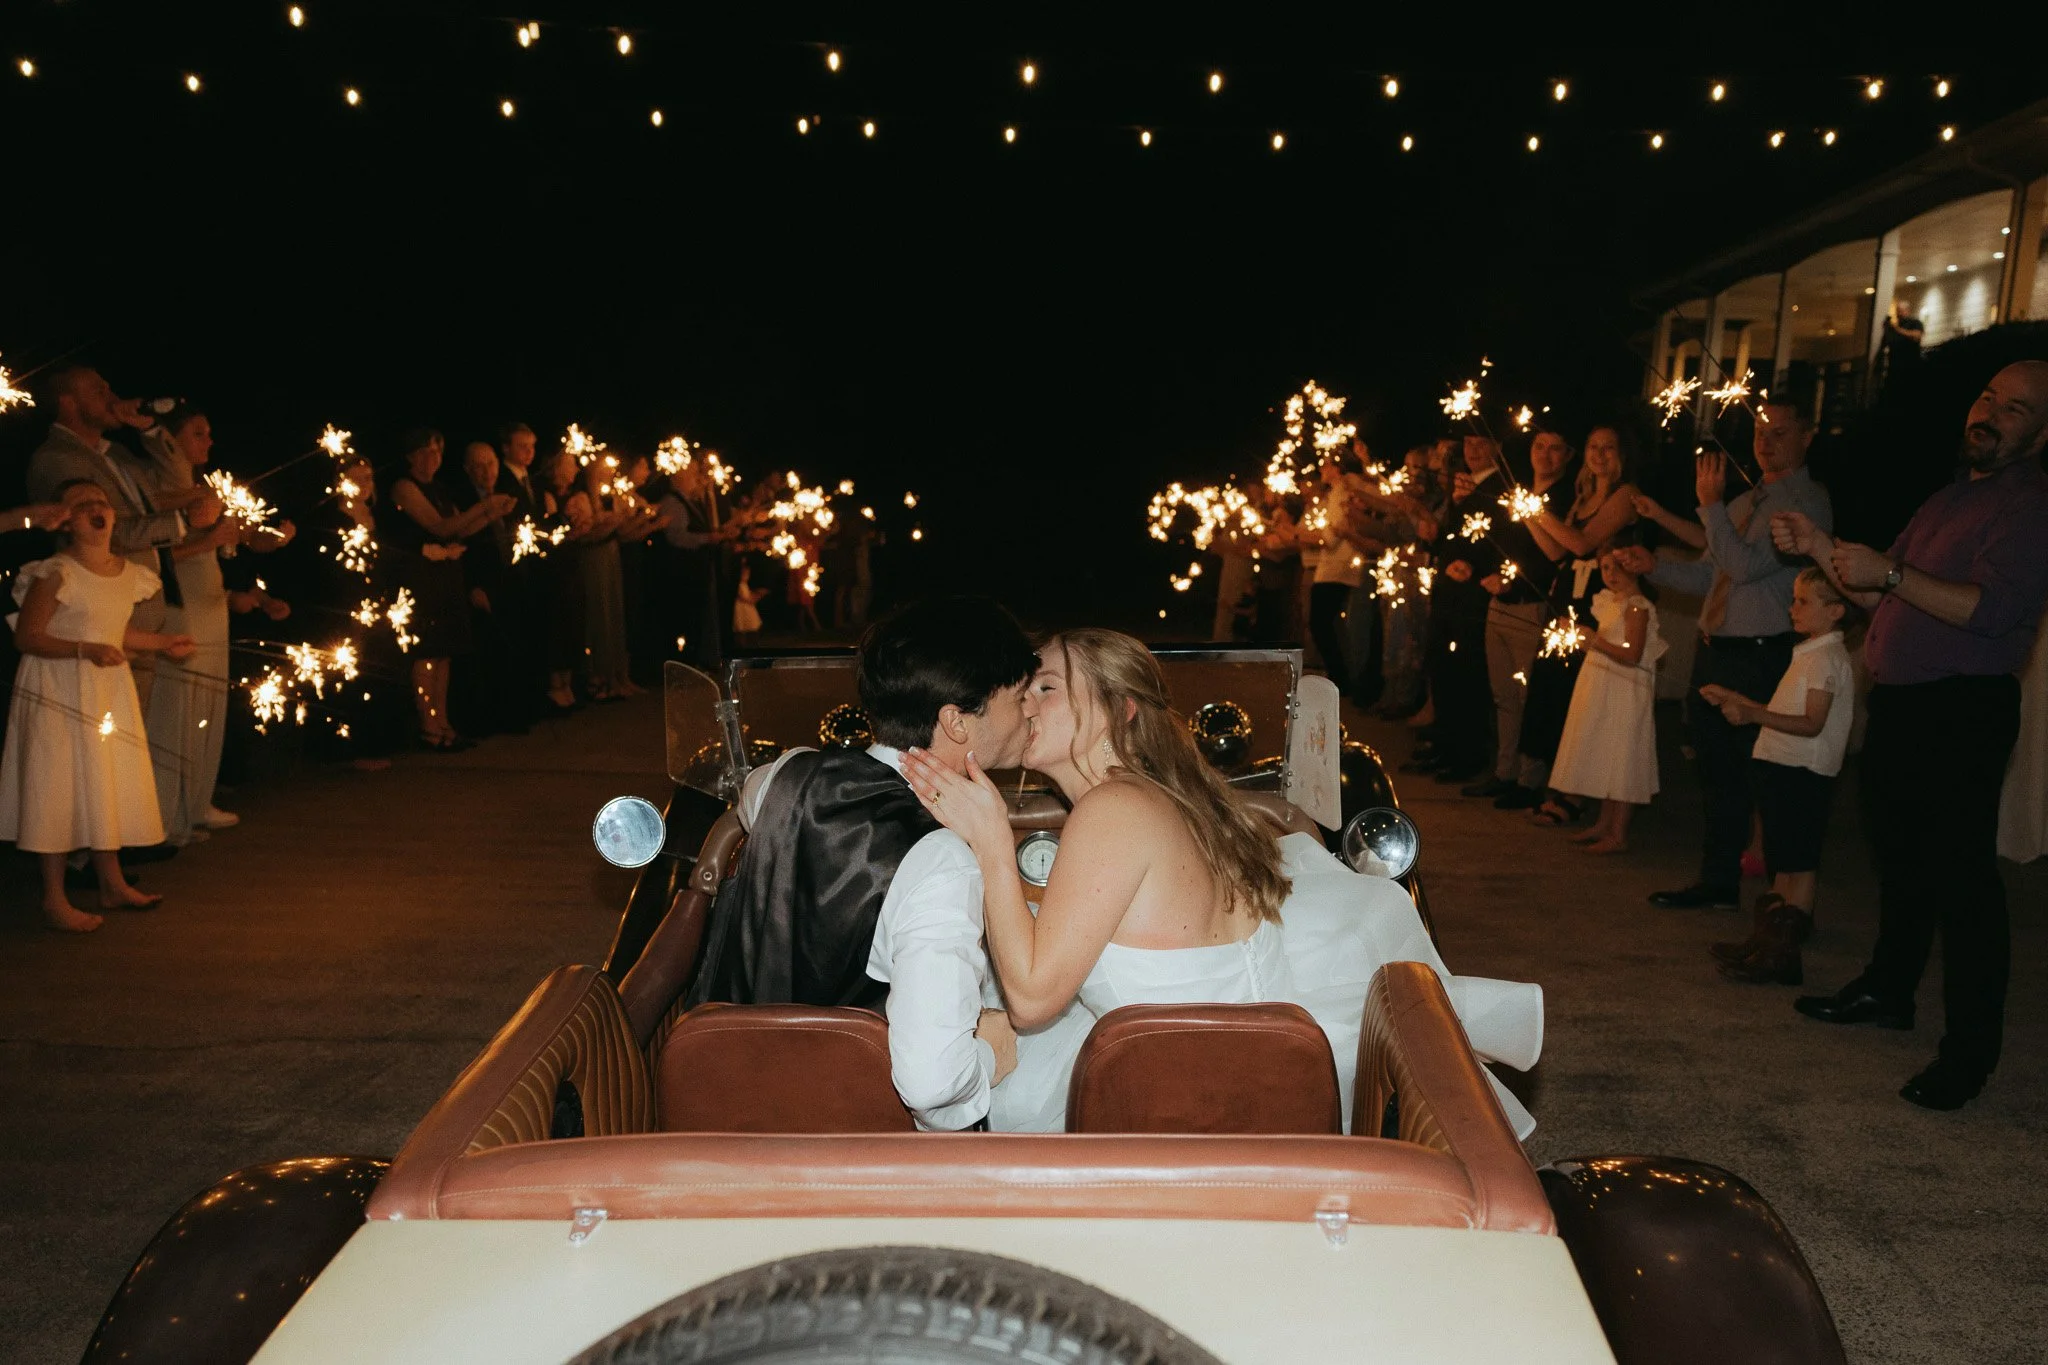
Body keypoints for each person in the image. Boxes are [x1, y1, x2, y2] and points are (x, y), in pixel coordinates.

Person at [902, 628, 1543, 1136]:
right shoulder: (1161, 801)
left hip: (1186, 1098)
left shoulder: (1112, 811)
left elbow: (1033, 1000)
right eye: (1025, 688)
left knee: (962, 1061)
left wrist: (992, 843)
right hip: (1242, 1070)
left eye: (1047, 687)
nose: (1025, 703)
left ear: (1121, 710)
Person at [1773, 360, 2048, 1110]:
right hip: (1902, 704)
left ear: (2040, 434)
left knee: (1963, 881)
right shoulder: (1950, 496)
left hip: (1962, 708)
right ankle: (1889, 990)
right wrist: (1818, 545)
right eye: (1987, 396)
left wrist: (1891, 573)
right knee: (1900, 858)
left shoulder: (2030, 507)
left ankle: (1969, 1054)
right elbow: (1873, 592)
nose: (1990, 413)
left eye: (2015, 409)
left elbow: (1988, 609)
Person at [684, 598, 1039, 1131]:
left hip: (722, 1103)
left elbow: (752, 795)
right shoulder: (941, 860)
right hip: (852, 1141)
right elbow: (932, 1084)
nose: (1031, 709)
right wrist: (992, 1055)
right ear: (956, 722)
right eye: (1018, 695)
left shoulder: (785, 777)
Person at [1632, 398, 1830, 910]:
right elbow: (1711, 575)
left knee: (1761, 774)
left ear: (1807, 438)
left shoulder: (1804, 503)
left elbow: (1744, 568)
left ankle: (1784, 898)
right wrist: (1653, 566)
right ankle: (1718, 881)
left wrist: (1711, 505)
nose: (1766, 442)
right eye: (1761, 432)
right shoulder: (1744, 502)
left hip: (1759, 656)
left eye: (1780, 433)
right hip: (1716, 651)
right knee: (1717, 773)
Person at [0, 481, 197, 931]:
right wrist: (84, 650)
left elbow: (113, 631)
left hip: (105, 689)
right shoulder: (56, 572)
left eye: (101, 502)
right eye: (82, 503)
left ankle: (111, 882)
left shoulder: (128, 574)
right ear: (65, 521)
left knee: (102, 778)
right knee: (55, 785)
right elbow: (27, 637)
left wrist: (164, 643)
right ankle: (54, 898)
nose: (95, 508)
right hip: (57, 687)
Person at [26, 367, 223, 712]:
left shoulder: (115, 454)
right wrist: (183, 521)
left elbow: (173, 484)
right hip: (98, 615)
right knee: (103, 727)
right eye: (98, 391)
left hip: (138, 611)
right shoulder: (56, 458)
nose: (112, 396)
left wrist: (149, 429)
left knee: (130, 726)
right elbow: (105, 534)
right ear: (68, 403)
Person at [1698, 568, 1856, 986]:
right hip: (1784, 769)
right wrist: (1737, 699)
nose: (1792, 609)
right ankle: (1768, 941)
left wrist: (1751, 714)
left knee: (1798, 864)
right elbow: (1786, 712)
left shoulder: (1825, 658)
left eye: (1803, 601)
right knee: (1783, 860)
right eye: (1794, 599)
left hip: (1803, 773)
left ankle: (1783, 954)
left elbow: (1812, 723)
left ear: (1836, 611)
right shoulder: (1810, 653)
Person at [141, 404, 289, 843]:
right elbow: (153, 557)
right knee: (178, 712)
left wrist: (270, 541)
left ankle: (196, 801)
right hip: (179, 607)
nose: (209, 441)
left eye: (208, 433)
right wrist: (209, 540)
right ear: (170, 442)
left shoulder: (208, 488)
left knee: (208, 707)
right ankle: (165, 817)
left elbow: (239, 540)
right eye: (198, 433)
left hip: (211, 606)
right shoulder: (157, 491)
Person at [1522, 424, 1640, 824]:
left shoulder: (1625, 495)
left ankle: (1575, 793)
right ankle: (1559, 782)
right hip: (1569, 598)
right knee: (1554, 689)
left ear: (1622, 454)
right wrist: (1528, 515)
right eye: (1593, 446)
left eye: (1609, 448)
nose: (1599, 454)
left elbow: (1582, 543)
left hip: (1601, 603)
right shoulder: (1582, 497)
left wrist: (1538, 510)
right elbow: (1558, 552)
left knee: (1583, 696)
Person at [384, 429, 513, 750]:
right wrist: (485, 506)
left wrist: (493, 512)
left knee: (445, 654)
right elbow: (439, 527)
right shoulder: (404, 487)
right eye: (426, 451)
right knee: (428, 653)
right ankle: (428, 726)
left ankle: (443, 723)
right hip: (420, 578)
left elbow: (461, 529)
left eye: (438, 452)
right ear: (411, 455)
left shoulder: (440, 489)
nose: (434, 458)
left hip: (445, 576)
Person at [1467, 426, 1571, 808]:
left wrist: (1515, 581)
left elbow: (1555, 557)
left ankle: (1530, 779)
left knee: (1530, 697)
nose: (1545, 455)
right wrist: (1491, 575)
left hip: (1532, 607)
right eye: (1539, 446)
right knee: (1504, 696)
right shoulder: (1518, 492)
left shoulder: (1564, 500)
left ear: (1567, 456)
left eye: (1555, 448)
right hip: (1500, 605)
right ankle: (1504, 771)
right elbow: (1498, 543)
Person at [1546, 543, 1664, 854]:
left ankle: (1618, 832)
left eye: (1616, 566)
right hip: (1604, 682)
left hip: (1624, 687)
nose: (1610, 574)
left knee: (1622, 754)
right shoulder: (1609, 600)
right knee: (1606, 750)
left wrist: (1594, 641)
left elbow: (1633, 653)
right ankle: (1603, 823)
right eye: (1605, 568)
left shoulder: (1637, 606)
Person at [1405, 435, 1505, 782]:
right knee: (1443, 669)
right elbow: (1454, 537)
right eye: (1469, 444)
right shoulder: (1463, 487)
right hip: (1449, 593)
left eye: (1482, 444)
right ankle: (1445, 746)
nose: (1473, 450)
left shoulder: (1497, 489)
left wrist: (1473, 568)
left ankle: (1466, 755)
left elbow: (1495, 541)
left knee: (1465, 676)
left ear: (1497, 448)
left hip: (1470, 596)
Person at [446, 440, 526, 738]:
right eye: (478, 466)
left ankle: (515, 710)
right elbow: (462, 542)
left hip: (510, 580)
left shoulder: (507, 495)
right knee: (488, 651)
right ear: (467, 469)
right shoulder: (462, 499)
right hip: (481, 583)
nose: (486, 471)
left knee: (514, 645)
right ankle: (488, 717)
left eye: (490, 463)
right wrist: (473, 585)